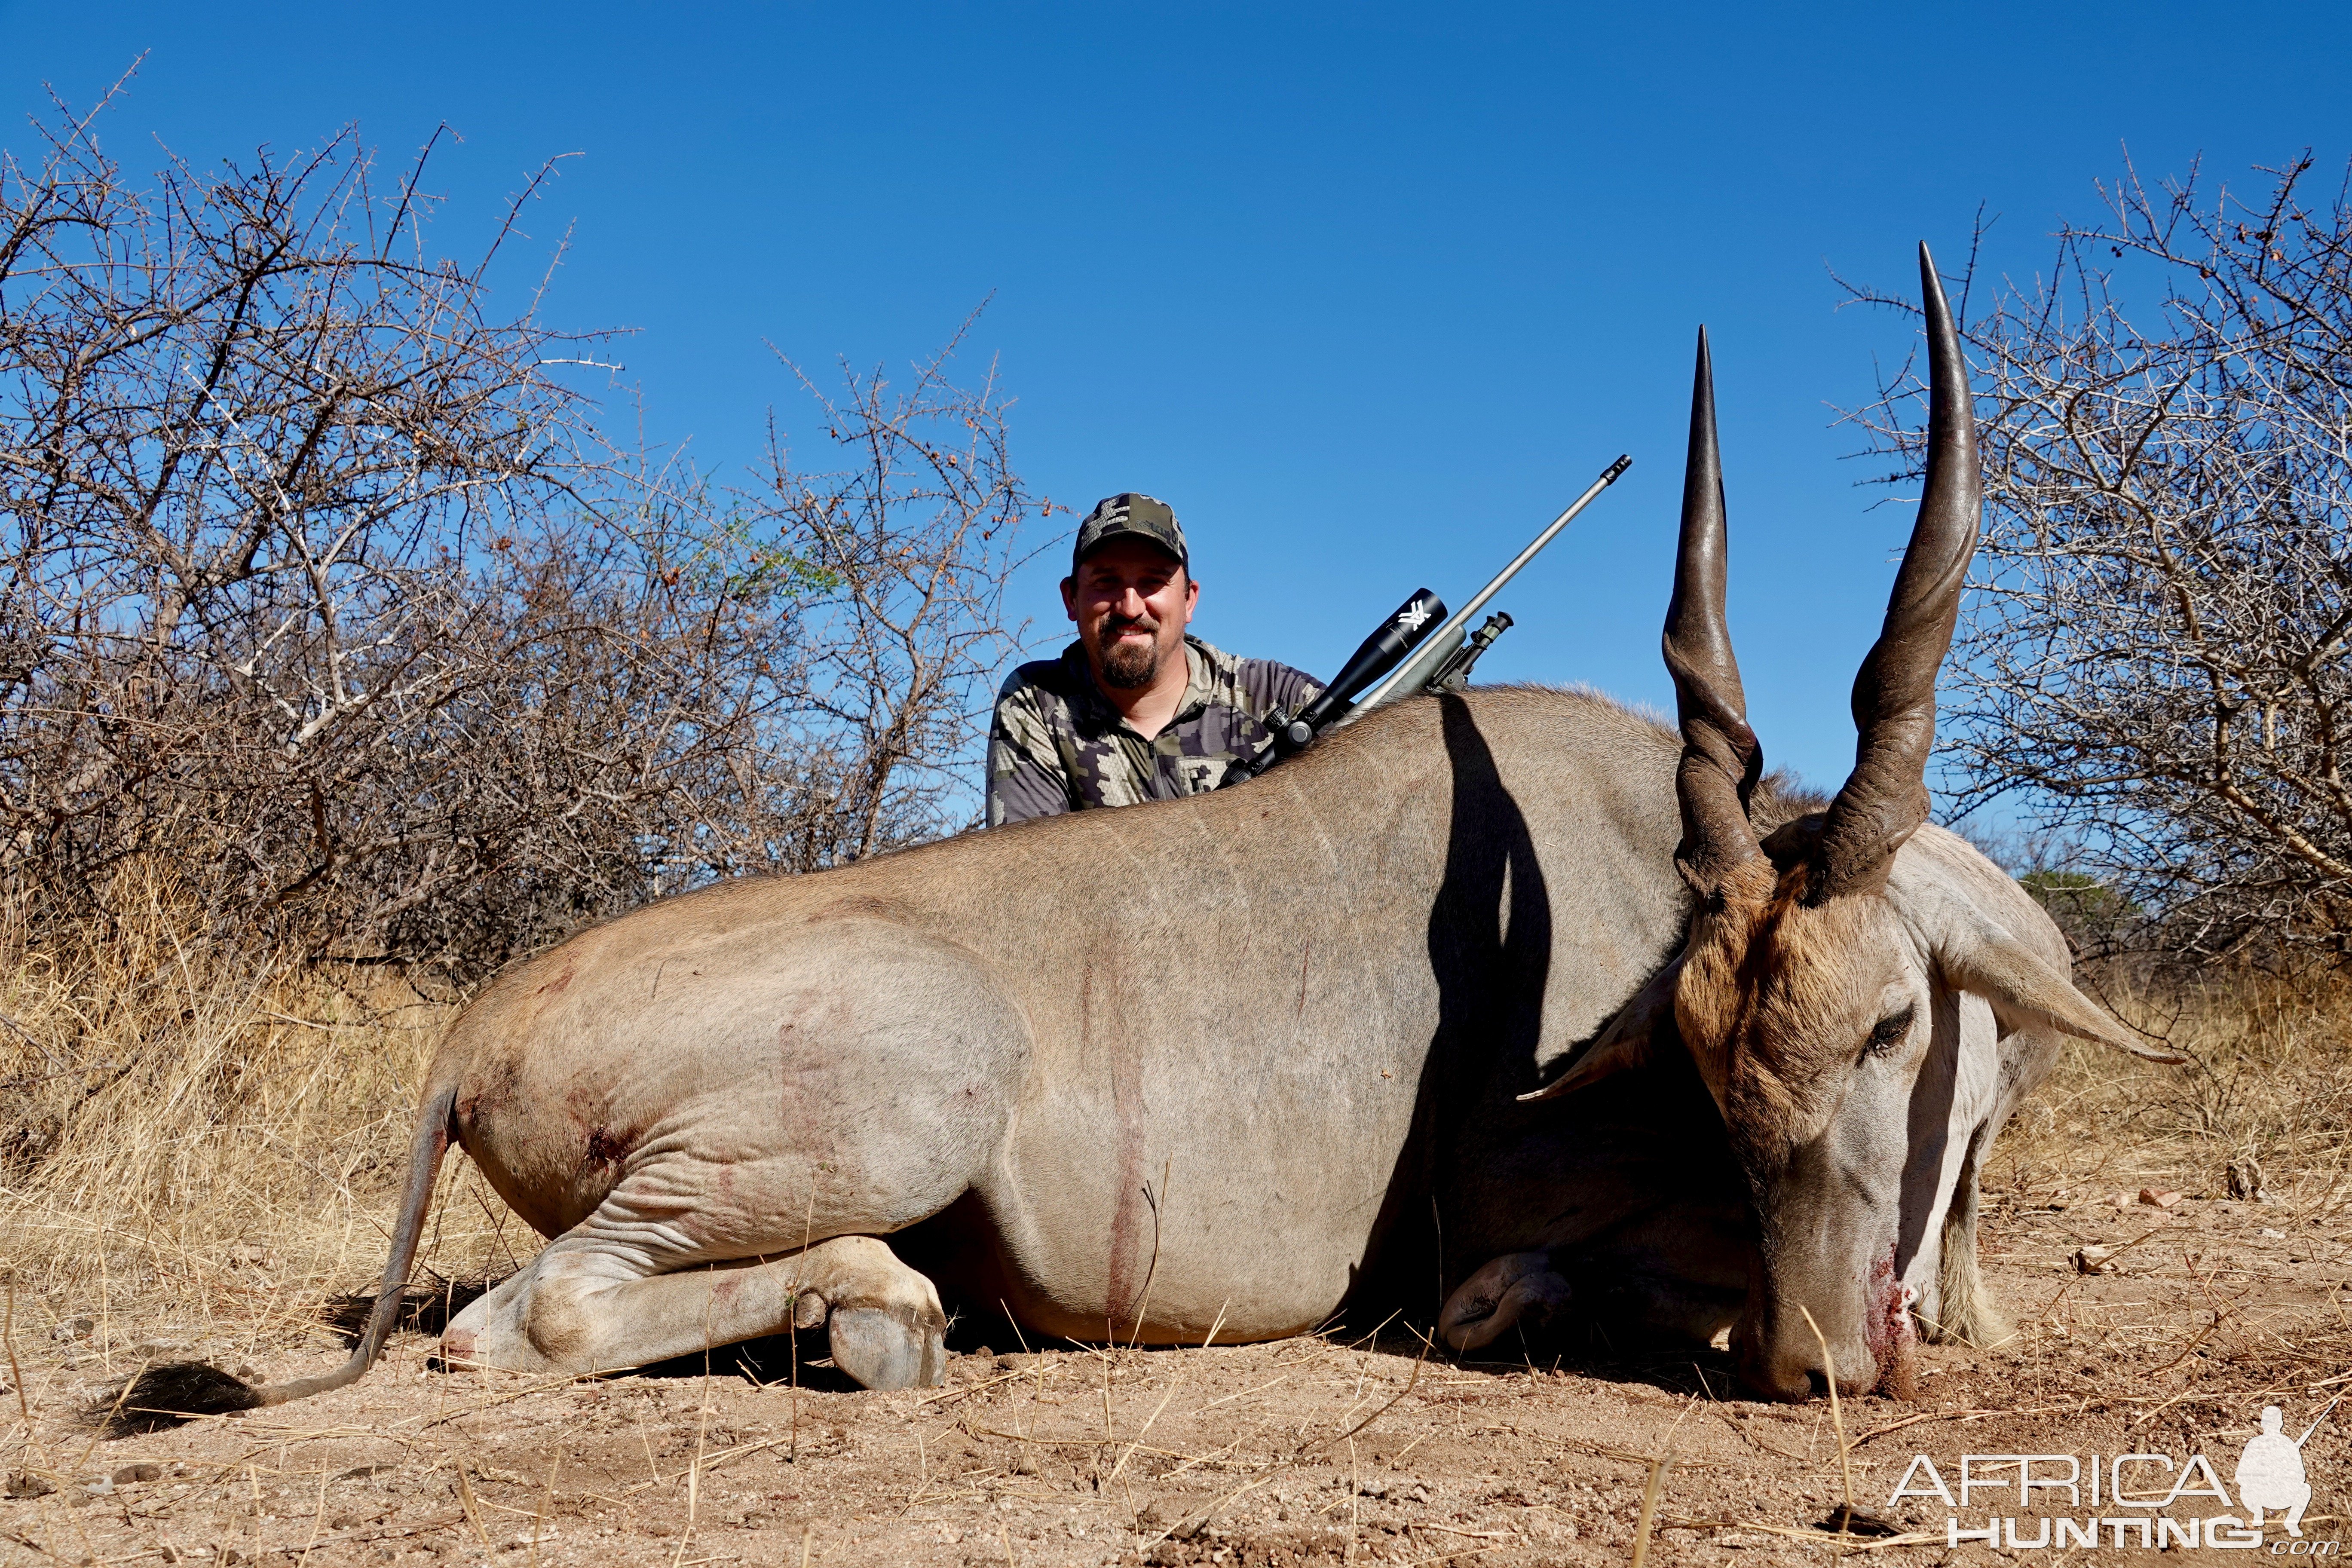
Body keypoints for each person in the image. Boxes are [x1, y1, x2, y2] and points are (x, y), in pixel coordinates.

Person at [986, 492, 1323, 825]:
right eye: (1106, 582)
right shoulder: (1035, 702)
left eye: (1153, 582)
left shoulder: (1276, 696)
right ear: (1071, 598)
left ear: (1189, 600)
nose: (1130, 607)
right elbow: (1032, 873)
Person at [2235, 1405, 2314, 1536]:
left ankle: (2292, 1522)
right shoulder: (2255, 1444)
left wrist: (2284, 1475)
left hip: (2280, 1494)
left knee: (2305, 1489)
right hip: (2257, 1495)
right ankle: (2258, 1513)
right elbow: (2241, 1475)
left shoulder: (2288, 1445)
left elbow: (2301, 1476)